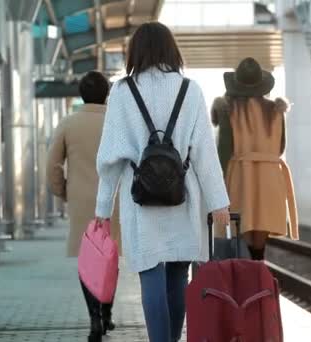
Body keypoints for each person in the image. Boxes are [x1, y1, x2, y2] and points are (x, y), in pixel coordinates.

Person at [94, 22, 230, 342]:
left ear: (136, 52)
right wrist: (218, 203)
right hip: (183, 196)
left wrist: (102, 209)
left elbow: (110, 158)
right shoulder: (191, 90)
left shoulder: (122, 92)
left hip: (140, 201)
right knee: (178, 276)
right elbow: (205, 155)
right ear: (172, 50)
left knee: (150, 275)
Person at [46, 71, 121, 342]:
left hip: (80, 201)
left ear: (81, 94)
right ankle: (107, 312)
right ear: (107, 94)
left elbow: (53, 164)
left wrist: (63, 191)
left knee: (87, 261)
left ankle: (94, 319)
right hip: (114, 200)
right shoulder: (117, 121)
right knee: (110, 258)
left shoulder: (68, 123)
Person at [211, 57, 299, 261]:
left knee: (242, 230)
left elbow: (225, 149)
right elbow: (280, 147)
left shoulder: (229, 109)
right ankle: (258, 275)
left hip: (241, 176)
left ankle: (246, 279)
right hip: (270, 178)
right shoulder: (276, 110)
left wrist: (217, 185)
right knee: (260, 238)